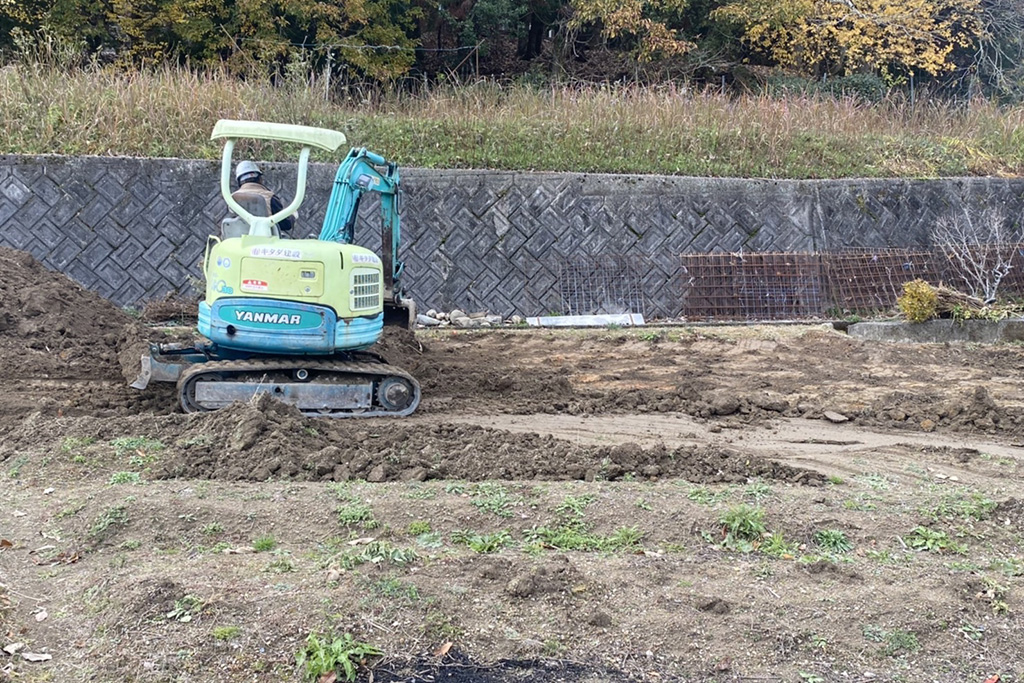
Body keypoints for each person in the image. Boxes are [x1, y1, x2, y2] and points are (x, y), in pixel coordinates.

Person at [228, 160, 295, 235]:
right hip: (266, 241)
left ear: (239, 181)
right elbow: (285, 225)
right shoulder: (270, 197)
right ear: (260, 179)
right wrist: (292, 216)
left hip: (239, 240)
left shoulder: (232, 198)